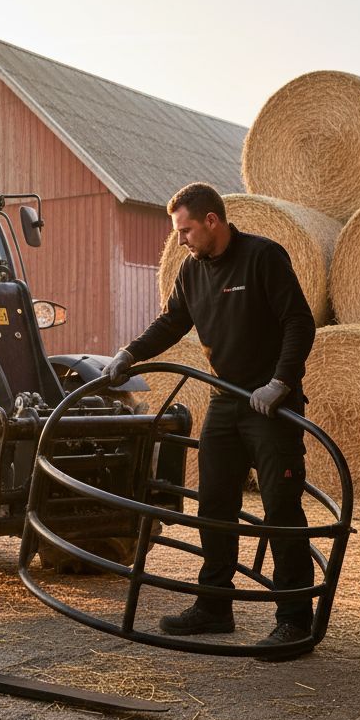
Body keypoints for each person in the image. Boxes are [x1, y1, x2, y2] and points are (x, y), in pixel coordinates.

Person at [105, 182, 316, 659]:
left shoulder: (263, 257)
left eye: (185, 230)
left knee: (281, 507)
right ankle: (215, 606)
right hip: (226, 402)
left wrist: (281, 382)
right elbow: (172, 321)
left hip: (270, 403)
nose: (181, 240)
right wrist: (130, 353)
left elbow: (299, 322)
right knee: (214, 503)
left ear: (212, 221)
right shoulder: (191, 272)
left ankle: (294, 620)